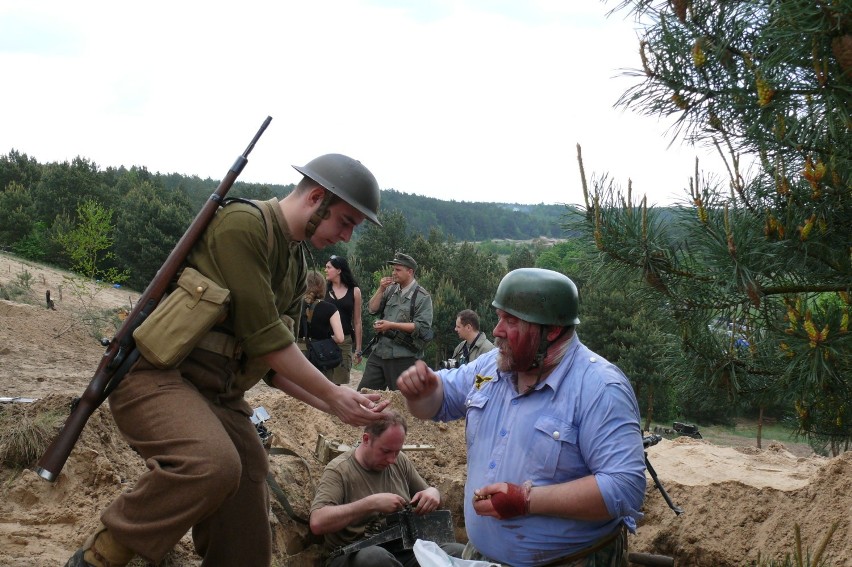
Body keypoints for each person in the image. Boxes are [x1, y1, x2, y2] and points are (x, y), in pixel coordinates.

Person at [66, 153, 390, 567]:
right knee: (212, 463)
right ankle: (99, 556)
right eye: (344, 221)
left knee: (249, 477)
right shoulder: (243, 225)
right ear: (316, 198)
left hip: (218, 395)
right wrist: (333, 392)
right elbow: (266, 338)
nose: (345, 236)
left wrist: (336, 403)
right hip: (157, 377)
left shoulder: (294, 262)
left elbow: (273, 366)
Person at [396, 268, 647, 567]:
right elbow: (437, 404)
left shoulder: (600, 388)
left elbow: (624, 489)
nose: (498, 330)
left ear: (551, 330)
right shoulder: (491, 367)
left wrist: (526, 501)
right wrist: (421, 391)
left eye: (511, 321)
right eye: (500, 316)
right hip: (482, 556)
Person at [310, 410, 465, 566]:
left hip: (401, 548)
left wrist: (433, 493)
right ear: (366, 439)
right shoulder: (339, 470)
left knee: (458, 553)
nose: (391, 459)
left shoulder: (400, 462)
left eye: (397, 451)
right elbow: (318, 522)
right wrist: (370, 504)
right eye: (385, 451)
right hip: (353, 553)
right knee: (375, 558)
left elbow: (429, 498)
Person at [358, 252, 432, 391]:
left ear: (410, 271)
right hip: (380, 351)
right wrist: (381, 289)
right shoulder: (390, 290)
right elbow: (372, 309)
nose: (393, 273)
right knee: (365, 393)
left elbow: (422, 327)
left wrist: (391, 325)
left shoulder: (422, 297)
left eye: (398, 270)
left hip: (402, 357)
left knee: (402, 400)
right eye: (393, 269)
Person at [324, 255, 363, 385]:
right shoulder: (323, 289)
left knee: (338, 382)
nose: (326, 270)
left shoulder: (355, 291)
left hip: (345, 342)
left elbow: (357, 321)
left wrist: (358, 348)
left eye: (329, 267)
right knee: (323, 380)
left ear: (339, 270)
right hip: (324, 340)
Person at [301, 270, 345, 380]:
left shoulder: (294, 305)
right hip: (320, 355)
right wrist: (327, 340)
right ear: (322, 287)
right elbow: (340, 338)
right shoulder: (330, 308)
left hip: (297, 354)